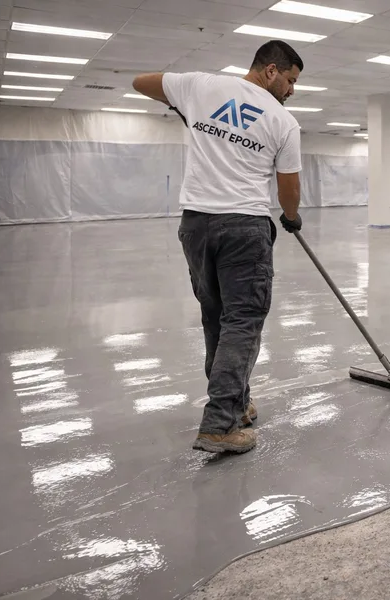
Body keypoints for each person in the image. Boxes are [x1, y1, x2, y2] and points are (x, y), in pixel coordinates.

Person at [132, 40, 305, 453]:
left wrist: (182, 104)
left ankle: (238, 403)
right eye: (290, 80)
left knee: (217, 318)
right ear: (271, 70)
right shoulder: (283, 121)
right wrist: (292, 216)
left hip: (196, 226)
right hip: (244, 227)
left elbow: (140, 82)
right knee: (243, 322)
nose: (291, 90)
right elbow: (289, 188)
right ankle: (220, 424)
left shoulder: (201, 86)